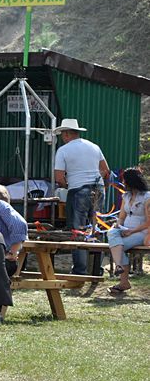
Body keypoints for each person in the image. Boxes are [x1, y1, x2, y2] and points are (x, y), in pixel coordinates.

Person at [53, 118, 110, 275]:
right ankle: (96, 267)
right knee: (96, 227)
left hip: (78, 190)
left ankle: (80, 269)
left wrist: (67, 184)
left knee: (78, 230)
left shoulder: (63, 150)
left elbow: (59, 177)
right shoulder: (94, 146)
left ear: (65, 134)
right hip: (97, 189)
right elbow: (105, 170)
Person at [107, 168, 150, 294]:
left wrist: (132, 231)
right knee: (111, 232)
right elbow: (121, 217)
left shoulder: (147, 197)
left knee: (117, 247)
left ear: (131, 181)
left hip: (141, 232)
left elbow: (149, 222)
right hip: (125, 230)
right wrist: (117, 225)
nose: (123, 183)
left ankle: (123, 280)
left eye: (124, 180)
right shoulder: (125, 196)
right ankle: (122, 275)